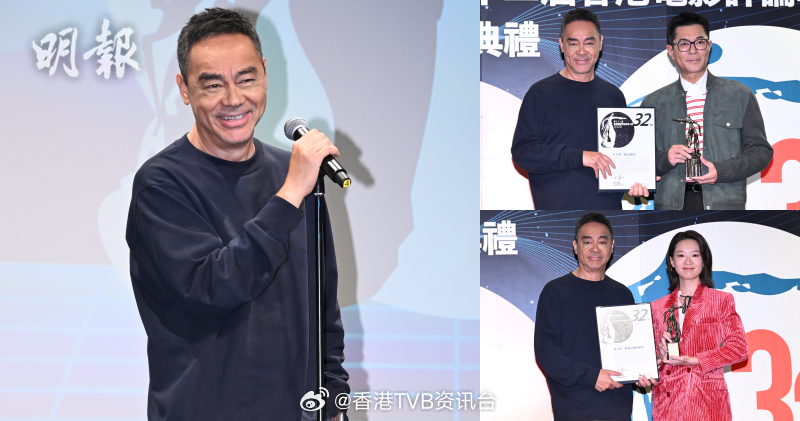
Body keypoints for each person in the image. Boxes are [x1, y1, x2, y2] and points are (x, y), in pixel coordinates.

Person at [125, 8, 349, 421]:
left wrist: (333, 401)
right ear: (184, 88)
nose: (233, 99)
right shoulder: (161, 184)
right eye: (213, 84)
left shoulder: (292, 173)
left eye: (246, 79)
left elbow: (323, 303)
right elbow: (211, 288)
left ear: (265, 73)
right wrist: (289, 195)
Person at [511, 8, 650, 210]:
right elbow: (523, 152)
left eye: (589, 43)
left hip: (606, 212)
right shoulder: (540, 93)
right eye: (573, 43)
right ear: (561, 45)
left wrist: (634, 179)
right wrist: (580, 156)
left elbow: (622, 155)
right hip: (558, 213)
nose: (582, 51)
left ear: (600, 43)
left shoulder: (614, 95)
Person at [643, 12, 773, 210]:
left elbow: (761, 152)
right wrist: (665, 158)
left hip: (724, 202)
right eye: (684, 44)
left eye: (700, 42)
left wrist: (722, 171)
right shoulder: (653, 102)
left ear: (709, 46)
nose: (693, 50)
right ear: (671, 51)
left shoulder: (739, 94)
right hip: (670, 204)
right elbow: (640, 160)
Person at [534, 213, 636, 420]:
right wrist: (591, 376)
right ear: (575, 246)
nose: (595, 249)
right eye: (587, 242)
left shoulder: (623, 294)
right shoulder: (555, 292)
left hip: (617, 407)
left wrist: (641, 372)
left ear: (612, 247)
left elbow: (631, 347)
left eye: (602, 242)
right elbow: (546, 351)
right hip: (574, 409)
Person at [638, 230, 748, 420]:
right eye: (681, 255)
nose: (688, 261)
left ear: (704, 260)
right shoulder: (656, 307)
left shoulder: (721, 300)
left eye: (695, 255)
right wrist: (657, 362)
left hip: (707, 402)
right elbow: (652, 363)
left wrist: (695, 359)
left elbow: (739, 349)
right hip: (669, 405)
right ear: (672, 262)